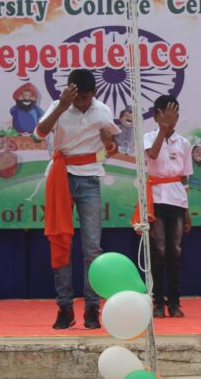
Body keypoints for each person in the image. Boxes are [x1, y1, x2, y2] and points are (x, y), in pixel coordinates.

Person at [34, 69, 120, 330]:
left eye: (85, 98)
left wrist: (109, 143)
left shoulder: (102, 111)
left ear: (93, 93)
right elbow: (39, 133)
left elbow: (111, 146)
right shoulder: (59, 106)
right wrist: (61, 107)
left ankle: (93, 308)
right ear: (69, 93)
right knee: (60, 242)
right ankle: (65, 308)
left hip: (90, 178)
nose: (81, 103)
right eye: (77, 98)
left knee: (92, 248)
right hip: (61, 176)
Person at [137, 95, 193, 318]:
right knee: (158, 252)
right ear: (155, 115)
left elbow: (184, 178)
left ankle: (175, 302)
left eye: (175, 115)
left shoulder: (184, 143)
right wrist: (162, 129)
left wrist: (187, 211)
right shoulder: (147, 138)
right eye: (167, 114)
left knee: (175, 252)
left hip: (177, 201)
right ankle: (157, 301)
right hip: (156, 200)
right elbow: (151, 155)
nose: (172, 119)